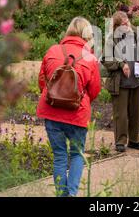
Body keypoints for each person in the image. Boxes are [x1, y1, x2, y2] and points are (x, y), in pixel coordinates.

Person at [36, 17, 101, 197]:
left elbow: (42, 81)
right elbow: (94, 90)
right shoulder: (89, 57)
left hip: (52, 112)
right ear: (87, 34)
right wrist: (81, 100)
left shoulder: (53, 50)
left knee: (59, 156)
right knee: (77, 154)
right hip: (77, 115)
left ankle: (61, 195)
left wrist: (56, 96)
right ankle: (71, 195)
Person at [102, 11, 139, 153]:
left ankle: (134, 140)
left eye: (127, 23)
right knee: (121, 114)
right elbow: (106, 59)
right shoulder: (112, 39)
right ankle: (120, 141)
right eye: (123, 24)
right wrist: (121, 64)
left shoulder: (138, 35)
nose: (126, 26)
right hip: (121, 82)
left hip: (138, 80)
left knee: (136, 111)